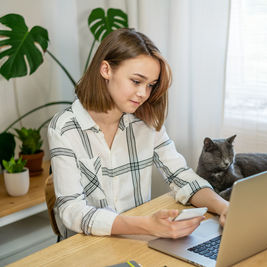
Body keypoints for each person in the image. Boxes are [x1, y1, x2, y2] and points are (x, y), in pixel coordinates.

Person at [48, 28, 229, 240]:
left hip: (138, 240)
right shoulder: (65, 128)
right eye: (136, 81)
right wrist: (145, 225)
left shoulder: (146, 121)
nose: (143, 94)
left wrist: (225, 208)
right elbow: (72, 211)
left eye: (150, 85)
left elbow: (181, 176)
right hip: (88, 247)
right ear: (106, 70)